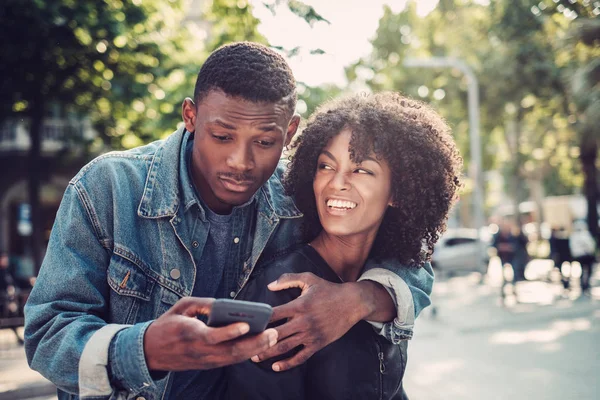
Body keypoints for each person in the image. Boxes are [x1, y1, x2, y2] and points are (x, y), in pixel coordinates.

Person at [24, 42, 434, 400]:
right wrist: (144, 349)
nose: (241, 162)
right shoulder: (108, 187)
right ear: (190, 115)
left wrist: (359, 299)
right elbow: (46, 335)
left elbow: (408, 255)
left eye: (264, 142)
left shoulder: (298, 192)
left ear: (290, 132)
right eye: (222, 137)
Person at [220, 92, 463, 399]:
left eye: (362, 170)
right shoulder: (281, 291)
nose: (337, 182)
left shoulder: (386, 286)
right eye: (325, 166)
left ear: (397, 193)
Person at [569, 220, 596, 292]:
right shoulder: (585, 234)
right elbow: (591, 245)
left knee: (583, 269)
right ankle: (585, 283)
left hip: (580, 256)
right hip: (585, 256)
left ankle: (584, 283)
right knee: (587, 269)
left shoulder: (574, 236)